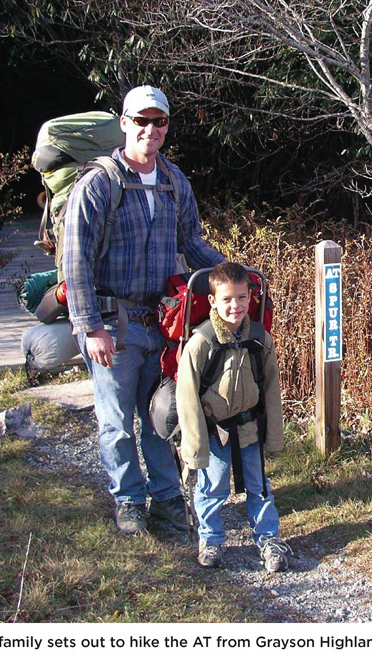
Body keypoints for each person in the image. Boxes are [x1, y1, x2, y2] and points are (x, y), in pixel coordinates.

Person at [63, 85, 226, 535]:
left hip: (161, 323)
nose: (150, 130)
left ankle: (168, 497)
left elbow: (190, 243)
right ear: (124, 123)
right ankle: (129, 500)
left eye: (160, 121)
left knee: (160, 414)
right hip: (111, 324)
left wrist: (234, 275)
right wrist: (89, 326)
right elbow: (74, 258)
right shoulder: (99, 183)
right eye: (141, 120)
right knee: (116, 420)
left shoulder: (174, 181)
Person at [175, 262, 289, 572]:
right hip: (214, 431)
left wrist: (273, 436)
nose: (235, 305)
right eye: (226, 299)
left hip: (249, 427)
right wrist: (195, 449)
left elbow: (270, 389)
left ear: (251, 296)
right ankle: (211, 541)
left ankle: (268, 540)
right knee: (213, 488)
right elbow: (186, 398)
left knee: (259, 485)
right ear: (212, 301)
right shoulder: (202, 342)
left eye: (241, 297)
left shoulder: (259, 338)